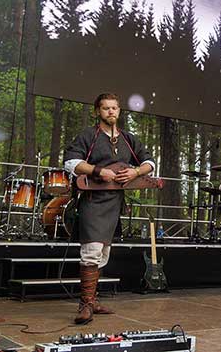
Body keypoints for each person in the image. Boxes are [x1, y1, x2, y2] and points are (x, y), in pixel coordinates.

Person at [64, 93, 155, 324]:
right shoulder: (88, 135)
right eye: (106, 108)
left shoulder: (128, 139)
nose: (111, 112)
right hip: (93, 202)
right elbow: (71, 162)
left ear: (119, 111)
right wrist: (97, 171)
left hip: (115, 203)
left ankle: (92, 300)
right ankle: (85, 304)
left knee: (104, 252)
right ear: (98, 111)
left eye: (114, 108)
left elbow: (149, 162)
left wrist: (136, 172)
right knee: (92, 250)